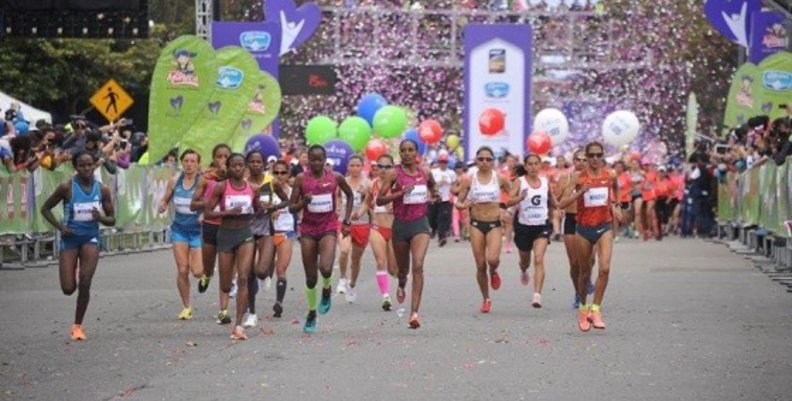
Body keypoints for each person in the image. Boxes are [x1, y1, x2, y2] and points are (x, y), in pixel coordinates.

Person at [41, 151, 116, 340]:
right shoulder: (67, 187)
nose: (87, 169)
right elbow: (45, 208)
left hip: (90, 237)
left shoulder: (103, 189)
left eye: (90, 164)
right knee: (68, 289)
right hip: (70, 238)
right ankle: (73, 268)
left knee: (85, 282)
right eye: (82, 166)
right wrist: (60, 227)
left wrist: (100, 218)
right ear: (76, 167)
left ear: (94, 165)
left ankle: (77, 326)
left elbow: (112, 219)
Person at [289, 145, 354, 333]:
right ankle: (311, 312)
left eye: (320, 159)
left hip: (328, 227)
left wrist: (347, 220)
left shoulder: (335, 178)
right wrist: (303, 203)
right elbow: (292, 207)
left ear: (325, 160)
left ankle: (327, 288)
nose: (316, 163)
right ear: (308, 160)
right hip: (308, 229)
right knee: (310, 278)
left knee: (325, 267)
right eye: (313, 159)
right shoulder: (301, 179)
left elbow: (349, 195)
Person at [376, 139, 441, 328]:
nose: (407, 153)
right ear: (400, 153)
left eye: (410, 150)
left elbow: (433, 186)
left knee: (418, 265)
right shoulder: (393, 174)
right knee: (402, 271)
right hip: (400, 226)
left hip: (420, 224)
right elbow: (379, 200)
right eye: (403, 150)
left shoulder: (425, 172)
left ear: (416, 153)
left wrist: (435, 195)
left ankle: (414, 313)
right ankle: (402, 283)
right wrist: (400, 193)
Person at [559, 141, 622, 332]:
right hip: (583, 229)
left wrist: (616, 206)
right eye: (591, 156)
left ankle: (596, 310)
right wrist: (580, 192)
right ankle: (583, 309)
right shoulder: (578, 177)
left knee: (604, 269)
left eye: (598, 155)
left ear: (602, 156)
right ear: (586, 157)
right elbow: (562, 203)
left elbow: (616, 189)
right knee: (584, 272)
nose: (594, 159)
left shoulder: (609, 174)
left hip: (604, 227)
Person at [205, 153, 264, 340]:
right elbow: (207, 212)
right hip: (225, 235)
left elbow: (257, 209)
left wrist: (265, 207)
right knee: (225, 285)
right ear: (228, 168)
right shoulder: (222, 187)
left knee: (244, 278)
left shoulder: (252, 188)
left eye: (240, 166)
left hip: (245, 235)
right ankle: (227, 301)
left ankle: (238, 324)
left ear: (244, 167)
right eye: (234, 166)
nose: (237, 169)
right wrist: (227, 212)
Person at [454, 146, 511, 313]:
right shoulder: (469, 179)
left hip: (494, 223)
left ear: (493, 161)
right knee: (480, 264)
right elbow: (458, 202)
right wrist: (463, 205)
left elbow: (513, 194)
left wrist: (508, 210)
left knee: (492, 259)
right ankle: (486, 299)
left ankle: (494, 270)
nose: (485, 162)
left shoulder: (499, 178)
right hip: (476, 224)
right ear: (476, 161)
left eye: (488, 159)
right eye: (481, 159)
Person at [158, 149, 203, 320]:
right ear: (181, 163)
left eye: (193, 161)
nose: (189, 164)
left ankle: (205, 269)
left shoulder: (202, 182)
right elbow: (166, 199)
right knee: (182, 269)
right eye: (186, 161)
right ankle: (186, 306)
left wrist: (204, 214)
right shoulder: (175, 181)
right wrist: (162, 205)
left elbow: (209, 203)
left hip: (197, 231)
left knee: (197, 272)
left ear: (198, 164)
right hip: (179, 230)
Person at [244, 151, 287, 328]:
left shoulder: (271, 182)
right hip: (245, 230)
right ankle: (252, 313)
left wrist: (273, 208)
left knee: (261, 271)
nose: (255, 164)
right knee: (248, 274)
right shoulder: (242, 183)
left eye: (258, 161)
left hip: (265, 229)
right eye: (252, 161)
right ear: (247, 164)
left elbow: (287, 201)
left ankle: (264, 275)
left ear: (263, 164)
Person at [190, 144, 232, 325]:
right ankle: (206, 276)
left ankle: (224, 310)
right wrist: (210, 202)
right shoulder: (206, 178)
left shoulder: (236, 179)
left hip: (229, 228)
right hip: (210, 226)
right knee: (208, 267)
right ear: (214, 158)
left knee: (226, 271)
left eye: (225, 156)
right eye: (219, 156)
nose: (222, 160)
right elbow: (194, 204)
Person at [509, 154, 558, 308]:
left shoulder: (545, 181)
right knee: (525, 261)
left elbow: (553, 200)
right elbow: (509, 200)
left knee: (538, 259)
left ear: (540, 165)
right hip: (523, 227)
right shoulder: (519, 182)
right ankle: (523, 269)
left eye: (536, 164)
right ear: (525, 166)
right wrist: (519, 198)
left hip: (541, 226)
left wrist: (559, 209)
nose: (533, 167)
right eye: (530, 164)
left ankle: (537, 295)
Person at [336, 155, 372, 302]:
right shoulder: (342, 182)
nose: (355, 168)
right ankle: (342, 279)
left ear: (362, 166)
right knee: (344, 250)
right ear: (348, 167)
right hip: (344, 222)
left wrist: (360, 212)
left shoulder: (368, 184)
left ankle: (352, 285)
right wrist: (338, 207)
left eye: (358, 165)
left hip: (362, 224)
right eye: (352, 165)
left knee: (356, 260)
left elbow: (369, 203)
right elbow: (337, 197)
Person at [370, 154, 399, 311]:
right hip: (376, 228)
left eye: (387, 167)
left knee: (394, 269)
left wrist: (396, 208)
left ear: (393, 167)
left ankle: (400, 282)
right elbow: (366, 203)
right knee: (381, 261)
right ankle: (385, 296)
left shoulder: (398, 186)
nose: (383, 170)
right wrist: (357, 214)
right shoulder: (371, 185)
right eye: (380, 166)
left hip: (394, 229)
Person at [268, 161, 296, 317]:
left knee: (281, 269)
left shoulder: (293, 192)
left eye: (283, 173)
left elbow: (299, 208)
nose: (279, 176)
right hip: (268, 233)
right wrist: (269, 213)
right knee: (263, 269)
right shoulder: (267, 191)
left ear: (288, 174)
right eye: (276, 172)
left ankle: (279, 303)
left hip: (286, 232)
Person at [429, 152, 456, 246]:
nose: (443, 164)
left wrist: (454, 193)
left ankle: (442, 237)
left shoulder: (451, 173)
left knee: (443, 218)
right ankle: (433, 229)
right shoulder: (433, 172)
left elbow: (453, 185)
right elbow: (430, 185)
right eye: (441, 162)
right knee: (432, 218)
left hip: (445, 199)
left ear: (447, 163)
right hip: (435, 198)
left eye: (445, 162)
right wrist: (441, 182)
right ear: (438, 162)